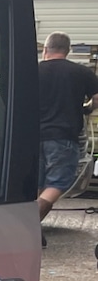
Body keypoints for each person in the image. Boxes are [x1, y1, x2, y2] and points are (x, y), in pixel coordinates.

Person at [36, 31, 98, 223]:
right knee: (56, 184)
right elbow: (97, 98)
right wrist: (86, 109)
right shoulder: (81, 72)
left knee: (37, 185)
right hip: (63, 137)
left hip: (32, 137)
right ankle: (27, 228)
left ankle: (33, 230)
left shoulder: (32, 70)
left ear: (46, 49)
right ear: (67, 50)